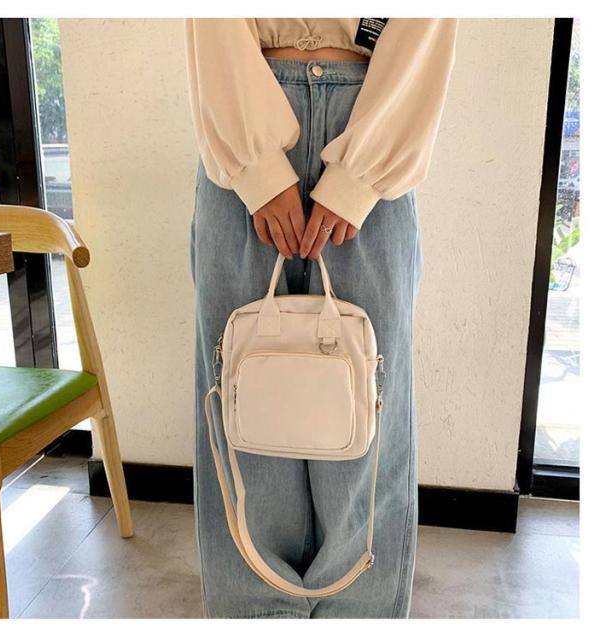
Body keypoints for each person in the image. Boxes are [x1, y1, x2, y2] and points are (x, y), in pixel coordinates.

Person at [184, 17, 458, 619]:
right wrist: (257, 167)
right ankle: (257, 613)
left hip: (375, 117)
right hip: (243, 110)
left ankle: (358, 614)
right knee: (241, 399)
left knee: (371, 407)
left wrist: (360, 175)